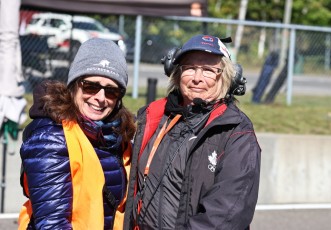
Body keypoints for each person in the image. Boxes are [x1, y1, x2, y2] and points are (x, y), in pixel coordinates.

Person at [124, 34, 261, 230]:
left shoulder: (236, 132)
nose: (197, 78)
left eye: (208, 70)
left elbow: (226, 215)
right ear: (176, 72)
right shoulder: (153, 118)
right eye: (190, 68)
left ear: (226, 77)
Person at [18, 38, 136, 229]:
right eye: (91, 86)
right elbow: (52, 224)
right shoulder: (51, 138)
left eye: (111, 91)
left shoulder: (116, 135)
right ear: (74, 85)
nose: (100, 98)